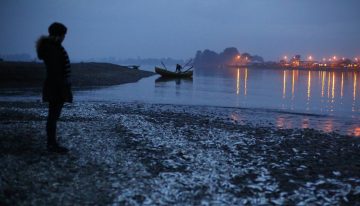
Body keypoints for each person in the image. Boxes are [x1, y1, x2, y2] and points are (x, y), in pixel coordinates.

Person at [36, 22, 73, 153]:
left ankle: (52, 143)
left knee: (53, 115)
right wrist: (62, 87)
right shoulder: (52, 48)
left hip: (55, 86)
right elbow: (55, 70)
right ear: (58, 35)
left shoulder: (52, 47)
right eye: (63, 35)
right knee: (53, 116)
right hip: (55, 87)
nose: (64, 38)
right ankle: (51, 144)